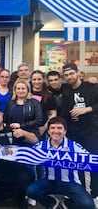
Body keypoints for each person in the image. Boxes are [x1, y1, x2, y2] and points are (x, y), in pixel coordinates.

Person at [26, 117, 95, 209]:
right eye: (53, 128)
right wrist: (3, 151)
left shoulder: (74, 146)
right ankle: (52, 202)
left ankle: (67, 204)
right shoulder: (41, 146)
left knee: (88, 205)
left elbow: (90, 160)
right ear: (49, 131)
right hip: (49, 181)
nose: (56, 131)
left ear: (65, 131)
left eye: (59, 128)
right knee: (30, 191)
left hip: (70, 183)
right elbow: (26, 155)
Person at [0, 108, 37, 208]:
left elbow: (35, 140)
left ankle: (20, 197)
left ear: (2, 116)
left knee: (28, 175)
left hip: (13, 169)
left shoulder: (13, 130)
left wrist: (24, 133)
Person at [60, 63, 98, 204]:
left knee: (94, 163)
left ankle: (95, 195)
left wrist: (86, 109)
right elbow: (64, 112)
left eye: (71, 73)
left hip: (92, 131)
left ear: (78, 73)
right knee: (78, 164)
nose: (69, 77)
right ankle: (82, 193)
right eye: (66, 75)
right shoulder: (66, 91)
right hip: (75, 132)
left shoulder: (91, 87)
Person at [30, 70, 57, 137]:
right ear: (31, 80)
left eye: (39, 79)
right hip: (27, 127)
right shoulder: (26, 92)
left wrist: (45, 127)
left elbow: (53, 114)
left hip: (42, 129)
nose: (37, 82)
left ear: (43, 80)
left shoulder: (49, 95)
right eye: (34, 79)